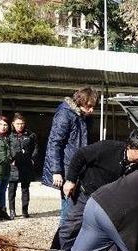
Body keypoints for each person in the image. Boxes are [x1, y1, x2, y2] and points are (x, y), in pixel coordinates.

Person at [42, 130, 138, 251]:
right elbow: (80, 155)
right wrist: (70, 180)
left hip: (112, 204)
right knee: (70, 230)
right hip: (88, 195)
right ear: (130, 147)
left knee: (111, 234)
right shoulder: (107, 148)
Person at [42, 87, 98, 220]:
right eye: (89, 106)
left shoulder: (82, 117)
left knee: (77, 209)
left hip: (78, 167)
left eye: (93, 107)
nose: (91, 110)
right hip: (68, 168)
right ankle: (63, 239)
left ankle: (70, 237)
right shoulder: (65, 115)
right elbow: (54, 143)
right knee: (69, 210)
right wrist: (56, 170)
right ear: (80, 101)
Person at [7, 112, 38, 219]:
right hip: (13, 166)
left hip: (26, 165)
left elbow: (35, 148)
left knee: (25, 189)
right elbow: (6, 149)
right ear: (13, 124)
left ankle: (25, 211)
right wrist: (10, 159)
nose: (20, 126)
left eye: (22, 123)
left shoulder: (30, 135)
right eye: (18, 123)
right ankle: (12, 211)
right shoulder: (9, 136)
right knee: (12, 189)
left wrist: (33, 159)